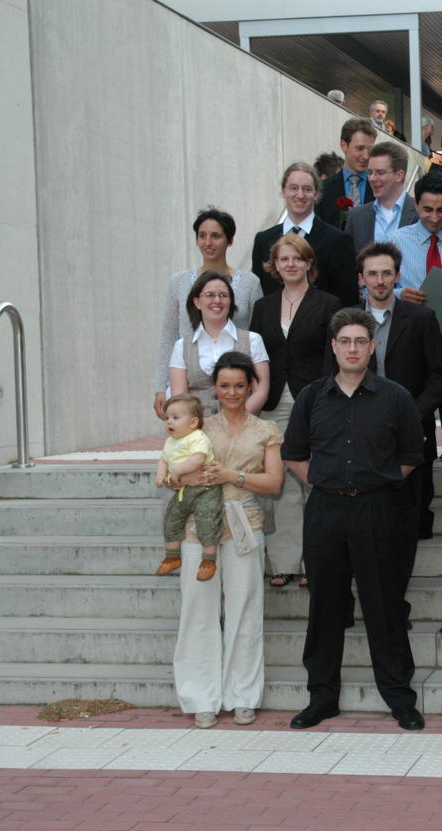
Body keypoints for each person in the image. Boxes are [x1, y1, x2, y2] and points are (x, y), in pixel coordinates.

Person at [281, 307, 426, 732]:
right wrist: (324, 482)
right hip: (325, 510)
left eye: (360, 341)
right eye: (344, 341)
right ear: (333, 346)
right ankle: (321, 698)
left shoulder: (395, 397)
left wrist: (373, 481)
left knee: (385, 606)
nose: (352, 349)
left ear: (372, 347)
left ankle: (400, 698)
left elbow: (411, 456)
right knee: (325, 607)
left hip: (377, 510)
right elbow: (293, 453)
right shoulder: (311, 397)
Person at [170, 351, 284, 729]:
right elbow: (174, 473)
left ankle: (243, 695)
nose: (232, 392)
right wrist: (191, 477)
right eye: (224, 386)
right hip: (197, 529)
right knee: (198, 611)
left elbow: (275, 482)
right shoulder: (198, 428)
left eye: (239, 385)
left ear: (251, 387)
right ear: (214, 389)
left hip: (245, 525)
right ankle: (201, 697)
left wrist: (232, 476)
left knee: (245, 611)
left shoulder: (266, 430)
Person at [360, 242, 442, 621]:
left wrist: (412, 413)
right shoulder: (348, 321)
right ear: (361, 279)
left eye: (387, 273)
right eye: (372, 273)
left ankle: (395, 602)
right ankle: (378, 601)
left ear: (398, 276)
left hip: (410, 435)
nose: (380, 280)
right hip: (361, 437)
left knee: (406, 524)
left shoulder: (421, 318)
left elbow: (439, 375)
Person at [248, 232, 342, 589]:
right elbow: (255, 356)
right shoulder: (263, 307)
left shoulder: (328, 303)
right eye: (284, 259)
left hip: (314, 401)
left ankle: (314, 563)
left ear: (308, 263)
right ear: (275, 265)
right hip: (273, 404)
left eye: (297, 258)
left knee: (313, 480)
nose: (290, 264)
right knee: (281, 482)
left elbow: (331, 356)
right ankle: (285, 562)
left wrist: (326, 399)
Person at [154, 208, 262, 419]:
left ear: (230, 240)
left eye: (216, 236)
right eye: (202, 236)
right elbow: (169, 335)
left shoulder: (250, 283)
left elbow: (256, 332)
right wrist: (160, 386)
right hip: (187, 381)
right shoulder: (179, 282)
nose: (208, 243)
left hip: (236, 387)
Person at [252, 162, 357, 305]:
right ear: (283, 191)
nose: (300, 195)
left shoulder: (338, 241)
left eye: (307, 189)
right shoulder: (263, 240)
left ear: (316, 194)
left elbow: (347, 300)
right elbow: (260, 296)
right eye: (294, 188)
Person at [168, 272, 270, 416]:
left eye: (223, 295)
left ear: (230, 302)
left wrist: (234, 421)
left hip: (243, 424)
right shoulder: (182, 346)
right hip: (197, 426)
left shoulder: (253, 340)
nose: (217, 300)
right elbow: (180, 398)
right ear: (197, 302)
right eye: (209, 295)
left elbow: (260, 392)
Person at [156, 394, 223, 582]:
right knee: (171, 519)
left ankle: (208, 560)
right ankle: (172, 557)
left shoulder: (197, 437)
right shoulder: (170, 442)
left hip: (204, 490)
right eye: (167, 418)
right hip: (182, 491)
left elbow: (198, 459)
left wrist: (177, 471)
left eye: (175, 418)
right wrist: (161, 474)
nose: (169, 422)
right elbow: (163, 460)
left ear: (193, 422)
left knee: (207, 520)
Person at [345, 142, 417, 255]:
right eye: (370, 172)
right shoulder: (357, 217)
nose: (372, 178)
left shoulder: (421, 213)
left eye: (380, 172)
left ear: (399, 175)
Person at [316, 118, 377, 222]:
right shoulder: (323, 189)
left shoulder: (380, 188)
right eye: (360, 148)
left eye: (370, 149)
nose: (366, 156)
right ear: (343, 145)